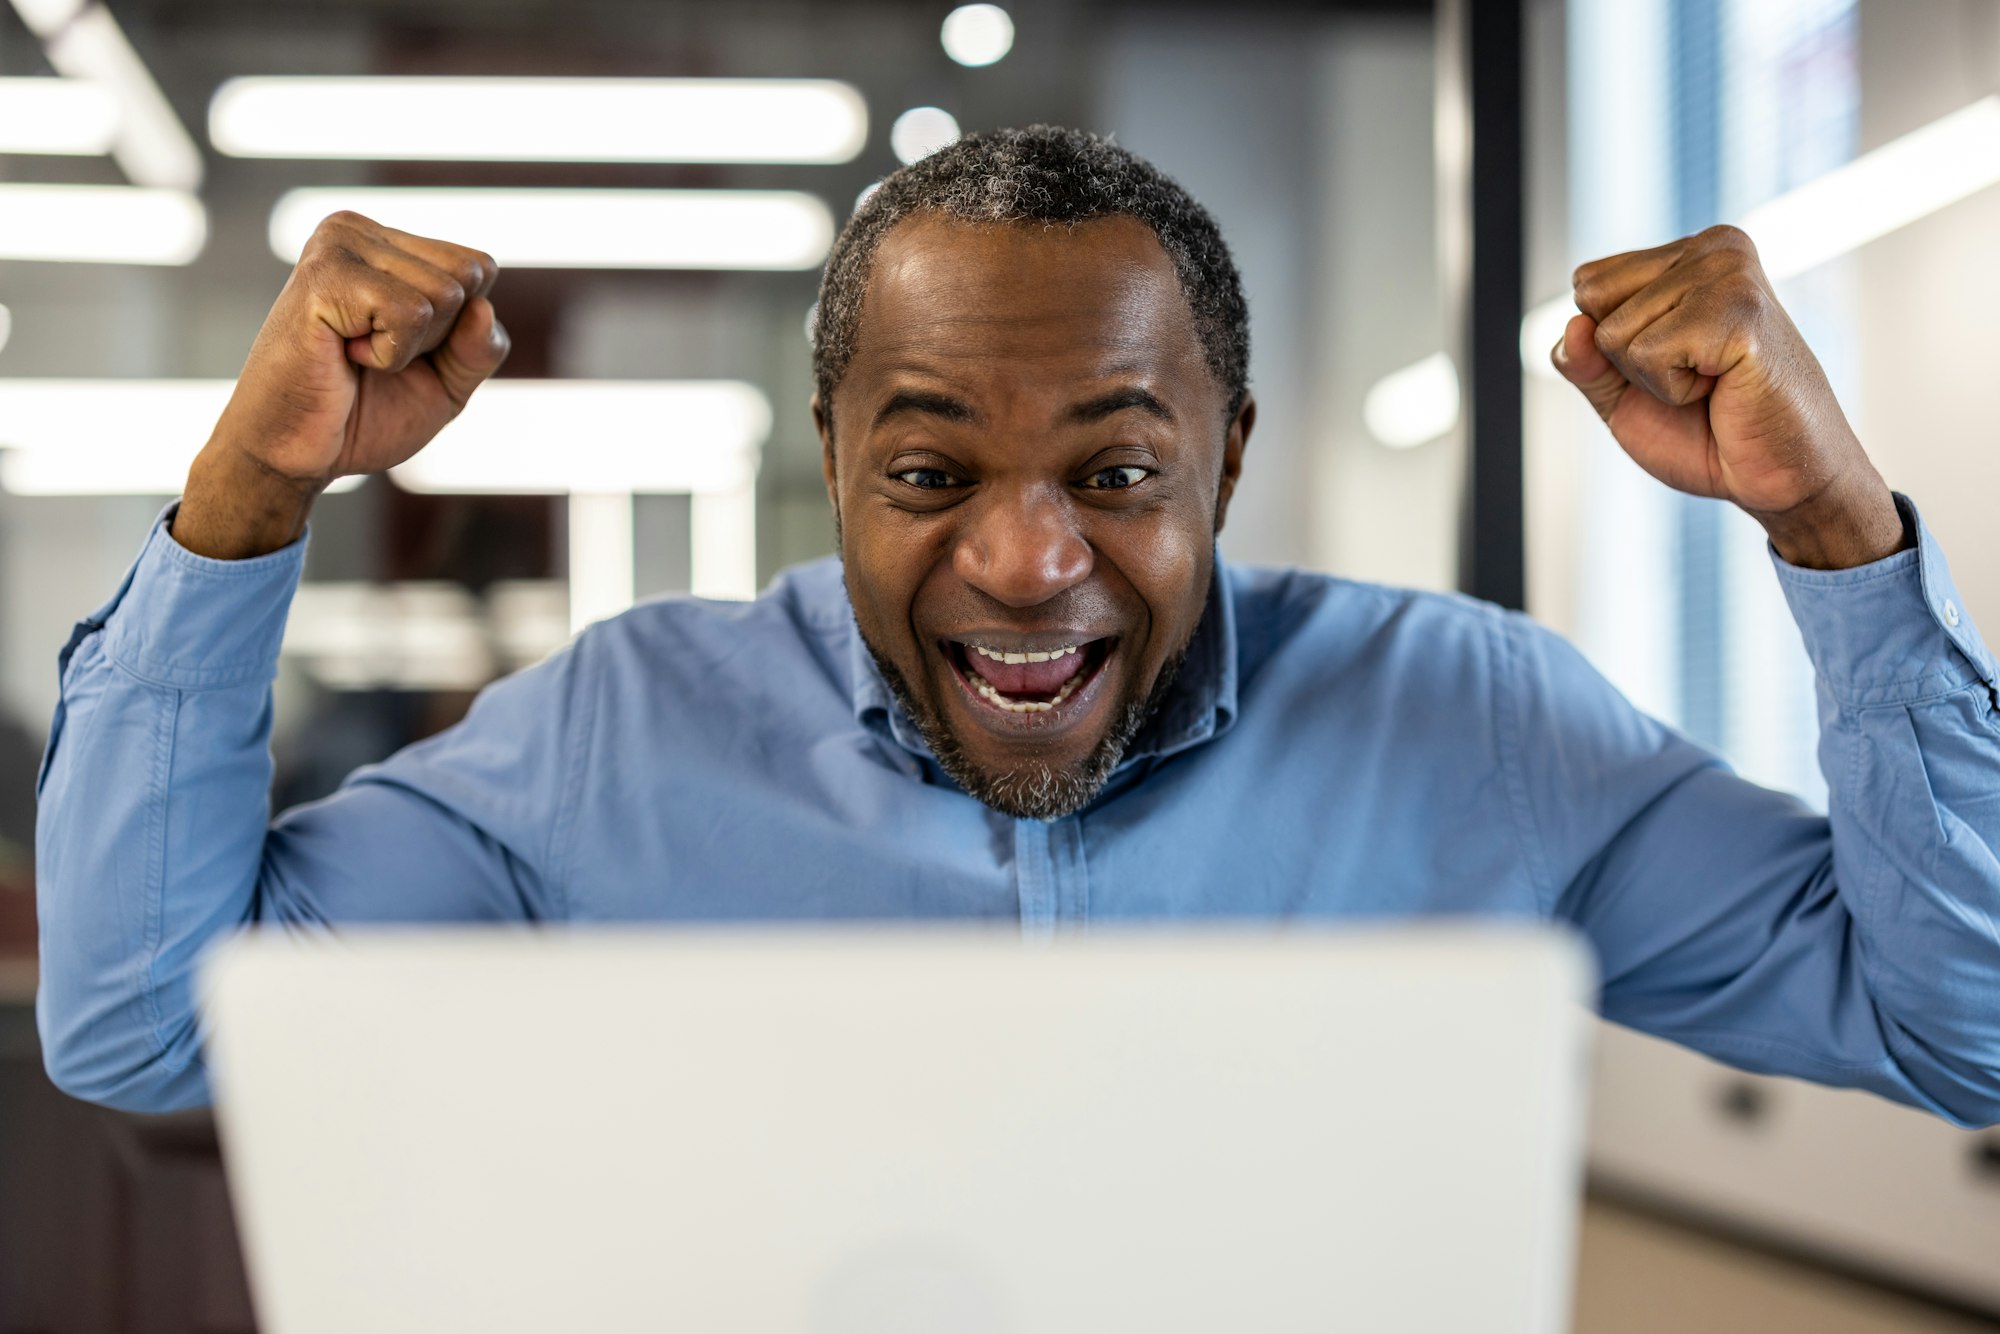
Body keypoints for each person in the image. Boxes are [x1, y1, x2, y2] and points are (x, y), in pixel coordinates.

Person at [35, 127, 2000, 1123]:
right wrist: (246, 505)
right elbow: (139, 1029)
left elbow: (1968, 1034)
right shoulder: (616, 739)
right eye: (929, 473)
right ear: (829, 457)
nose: (1027, 560)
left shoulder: (1475, 723)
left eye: (1119, 474)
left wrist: (1833, 532)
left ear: (1230, 461)